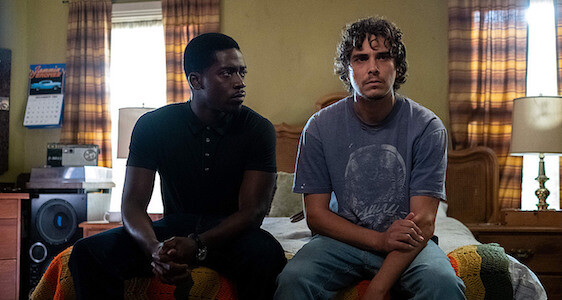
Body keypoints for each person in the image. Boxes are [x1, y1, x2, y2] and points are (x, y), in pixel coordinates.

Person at [69, 33, 286, 300]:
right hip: (174, 227)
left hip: (232, 234)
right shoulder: (154, 125)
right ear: (196, 80)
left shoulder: (258, 129)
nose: (240, 83)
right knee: (86, 251)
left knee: (268, 255)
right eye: (227, 73)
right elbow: (133, 205)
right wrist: (155, 249)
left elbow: (253, 212)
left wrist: (196, 245)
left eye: (242, 72)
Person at [274, 17, 466, 300]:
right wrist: (379, 239)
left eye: (383, 57)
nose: (373, 68)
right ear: (347, 69)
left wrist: (377, 289)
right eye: (361, 58)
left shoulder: (426, 127)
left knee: (443, 285)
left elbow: (424, 222)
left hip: (407, 245)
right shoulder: (318, 128)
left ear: (397, 65)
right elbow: (316, 216)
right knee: (292, 280)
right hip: (339, 241)